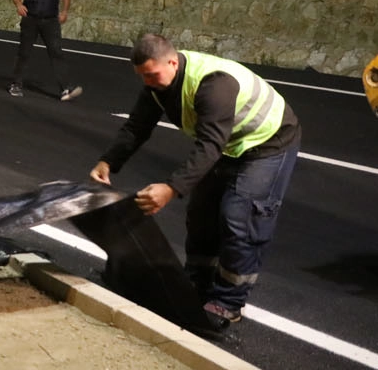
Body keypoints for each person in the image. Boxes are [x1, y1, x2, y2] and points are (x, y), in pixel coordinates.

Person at [89, 33, 300, 333]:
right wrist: (108, 161)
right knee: (201, 215)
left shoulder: (213, 85)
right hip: (229, 144)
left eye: (151, 74)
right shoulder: (156, 85)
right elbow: (137, 126)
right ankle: (197, 285)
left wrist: (171, 188)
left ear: (172, 61)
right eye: (142, 77)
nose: (147, 82)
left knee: (240, 218)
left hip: (268, 143)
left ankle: (228, 303)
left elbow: (210, 146)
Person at [8, 0, 83, 101]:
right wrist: (19, 3)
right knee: (24, 52)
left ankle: (65, 89)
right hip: (31, 18)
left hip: (50, 19)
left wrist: (64, 11)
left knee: (56, 52)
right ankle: (16, 84)